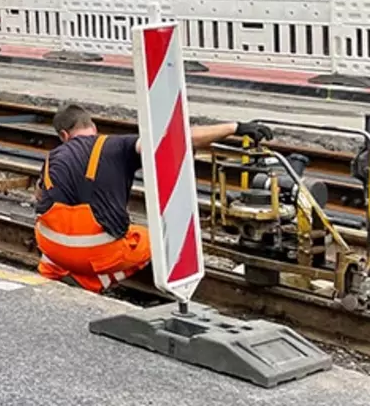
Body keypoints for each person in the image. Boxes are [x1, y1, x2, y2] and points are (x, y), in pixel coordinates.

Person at [34, 103, 272, 293]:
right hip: (98, 255)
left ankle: (57, 272)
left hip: (52, 250)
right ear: (93, 127)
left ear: (64, 135)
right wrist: (235, 127)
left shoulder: (52, 157)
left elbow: (40, 197)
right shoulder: (117, 146)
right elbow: (175, 140)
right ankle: (90, 282)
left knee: (56, 227)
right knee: (153, 239)